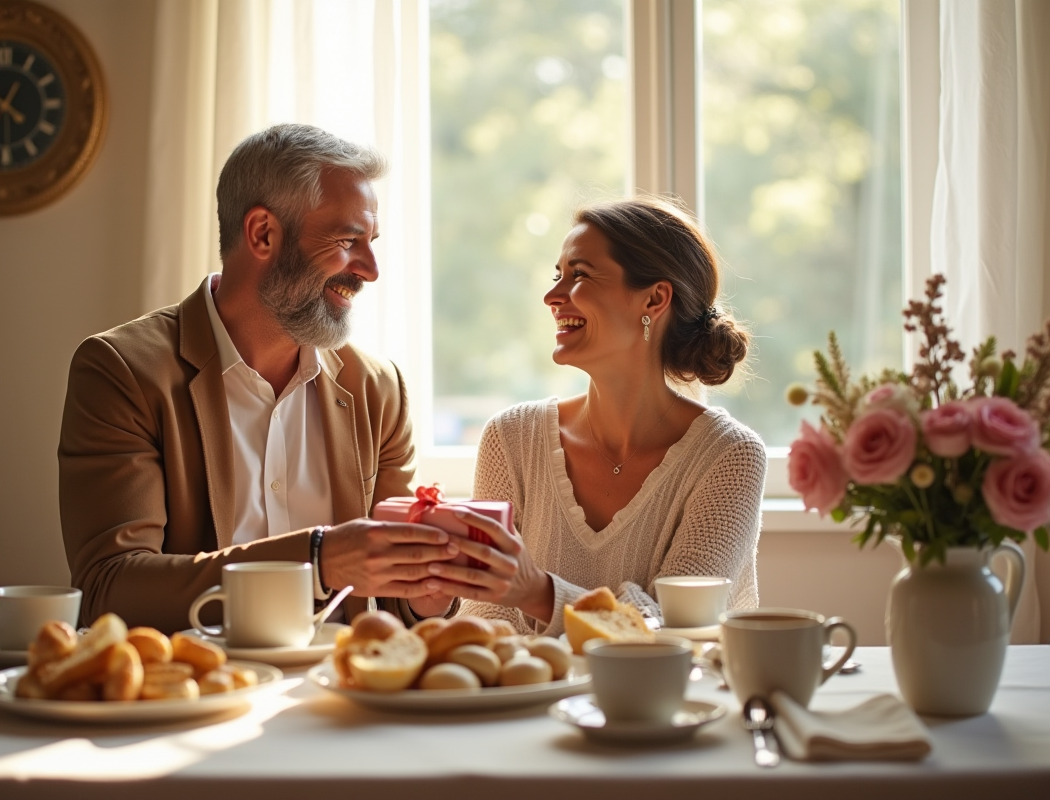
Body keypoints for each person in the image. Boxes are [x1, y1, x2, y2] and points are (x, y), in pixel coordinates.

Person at [59, 124, 517, 632]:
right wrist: (317, 559)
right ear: (263, 234)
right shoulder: (122, 371)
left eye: (371, 244)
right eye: (348, 241)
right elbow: (109, 587)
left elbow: (396, 607)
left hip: (342, 678)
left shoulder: (379, 390)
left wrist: (428, 590)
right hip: (197, 677)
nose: (370, 270)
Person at [422, 196, 766, 635]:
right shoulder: (510, 438)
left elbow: (678, 629)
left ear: (654, 299)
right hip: (533, 683)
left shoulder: (730, 457)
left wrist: (538, 593)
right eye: (557, 276)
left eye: (580, 275)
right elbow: (488, 617)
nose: (551, 297)